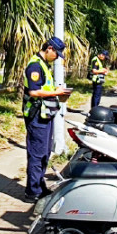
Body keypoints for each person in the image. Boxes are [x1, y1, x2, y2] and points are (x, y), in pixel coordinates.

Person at [22, 36, 70, 203]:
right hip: (36, 116)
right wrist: (56, 93)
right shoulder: (35, 65)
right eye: (56, 53)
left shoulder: (44, 65)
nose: (57, 57)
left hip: (44, 115)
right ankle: (33, 191)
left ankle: (39, 185)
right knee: (37, 153)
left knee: (45, 152)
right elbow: (34, 92)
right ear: (49, 48)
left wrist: (56, 90)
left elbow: (44, 88)